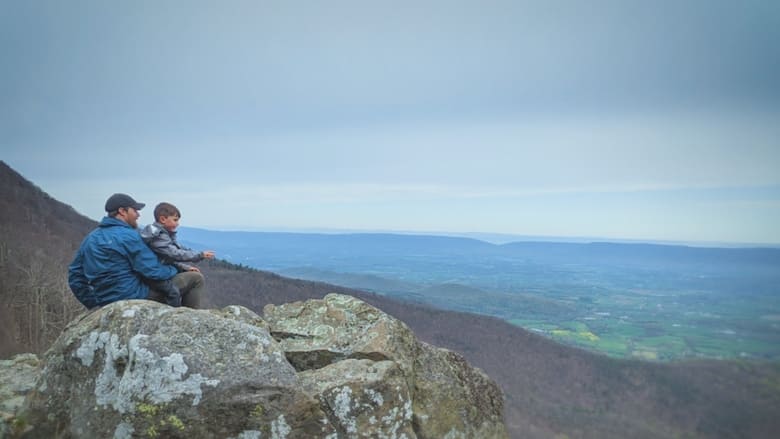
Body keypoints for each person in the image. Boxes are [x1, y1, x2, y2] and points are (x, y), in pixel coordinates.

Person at [67, 193, 203, 309]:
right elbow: (153, 271)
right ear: (122, 211)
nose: (138, 215)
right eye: (135, 210)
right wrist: (178, 270)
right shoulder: (129, 236)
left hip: (104, 301)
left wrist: (94, 304)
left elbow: (75, 276)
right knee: (195, 278)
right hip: (135, 297)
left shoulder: (90, 239)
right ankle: (190, 322)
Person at [140, 202, 215, 307]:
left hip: (160, 274)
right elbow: (174, 254)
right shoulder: (158, 236)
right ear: (163, 219)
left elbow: (166, 259)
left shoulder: (162, 235)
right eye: (175, 220)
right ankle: (183, 315)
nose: (178, 223)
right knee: (186, 286)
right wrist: (199, 255)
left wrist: (185, 267)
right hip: (155, 279)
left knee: (193, 277)